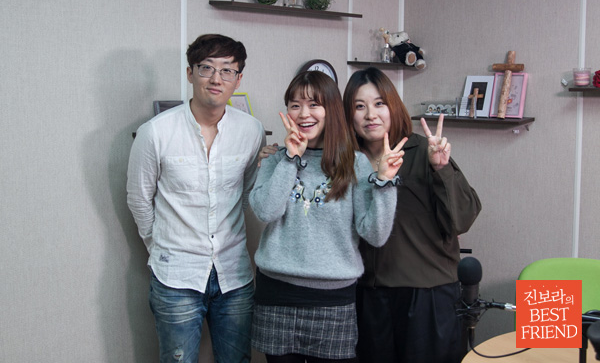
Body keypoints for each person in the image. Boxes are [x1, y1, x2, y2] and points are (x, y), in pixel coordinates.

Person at [249, 70, 407, 363]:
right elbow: (266, 211)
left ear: (331, 109)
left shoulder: (355, 164)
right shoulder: (274, 159)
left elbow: (375, 235)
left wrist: (385, 183)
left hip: (333, 300)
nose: (303, 113)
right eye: (295, 105)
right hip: (276, 295)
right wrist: (291, 158)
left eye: (314, 104)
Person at [126, 34, 266, 363]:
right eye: (207, 68)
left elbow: (246, 191)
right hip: (175, 275)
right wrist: (159, 245)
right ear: (190, 73)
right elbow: (138, 199)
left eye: (227, 70)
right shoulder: (156, 132)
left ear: (238, 79)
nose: (216, 79)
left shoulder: (252, 130)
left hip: (234, 274)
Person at [342, 67, 482, 363]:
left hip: (427, 295)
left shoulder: (423, 151)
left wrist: (442, 168)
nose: (370, 115)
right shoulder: (345, 161)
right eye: (359, 106)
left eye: (379, 103)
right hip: (367, 296)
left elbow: (463, 218)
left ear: (393, 106)